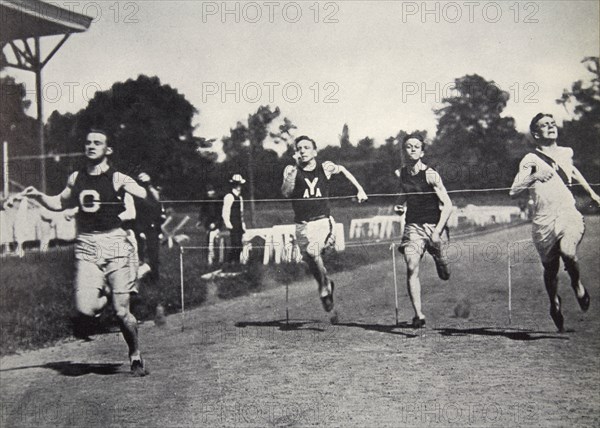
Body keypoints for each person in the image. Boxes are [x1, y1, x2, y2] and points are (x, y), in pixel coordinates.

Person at [23, 129, 151, 376]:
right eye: (88, 141)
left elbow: (146, 197)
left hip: (114, 242)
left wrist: (145, 187)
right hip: (87, 245)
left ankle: (135, 353)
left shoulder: (117, 178)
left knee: (122, 312)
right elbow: (60, 202)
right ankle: (104, 290)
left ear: (108, 150)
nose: (91, 146)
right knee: (85, 310)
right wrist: (38, 196)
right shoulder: (76, 177)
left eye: (98, 142)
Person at [509, 113, 600, 332]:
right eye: (544, 125)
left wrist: (592, 193)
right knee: (550, 270)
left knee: (568, 252)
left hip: (568, 213)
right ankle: (554, 303)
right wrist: (533, 176)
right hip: (543, 221)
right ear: (535, 133)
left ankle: (577, 284)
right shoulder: (530, 159)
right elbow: (514, 190)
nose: (550, 127)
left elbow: (573, 171)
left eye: (552, 123)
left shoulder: (566, 152)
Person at [282, 135, 368, 313]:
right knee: (312, 262)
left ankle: (323, 289)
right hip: (301, 225)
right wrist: (291, 173)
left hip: (322, 222)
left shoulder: (325, 167)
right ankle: (327, 283)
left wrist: (359, 189)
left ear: (314, 151)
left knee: (313, 252)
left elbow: (343, 170)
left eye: (307, 147)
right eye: (299, 148)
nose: (303, 151)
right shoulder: (291, 170)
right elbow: (285, 192)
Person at [395, 133, 453, 328]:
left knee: (445, 273)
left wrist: (437, 231)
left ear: (422, 151)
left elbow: (448, 205)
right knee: (411, 266)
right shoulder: (401, 173)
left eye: (416, 146)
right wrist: (399, 205)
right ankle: (418, 314)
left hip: (433, 226)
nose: (412, 149)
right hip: (413, 226)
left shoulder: (430, 174)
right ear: (403, 151)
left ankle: (440, 260)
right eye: (408, 146)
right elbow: (404, 192)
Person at [132, 173, 164, 281]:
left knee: (153, 253)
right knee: (140, 252)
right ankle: (142, 276)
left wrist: (149, 184)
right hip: (141, 227)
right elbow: (137, 213)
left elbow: (157, 203)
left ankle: (153, 276)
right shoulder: (137, 195)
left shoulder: (152, 193)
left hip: (152, 227)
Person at [222, 174, 247, 265]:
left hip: (239, 223)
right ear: (233, 185)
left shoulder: (240, 198)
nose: (239, 187)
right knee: (235, 245)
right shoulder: (229, 197)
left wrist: (243, 224)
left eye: (240, 185)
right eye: (237, 185)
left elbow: (241, 213)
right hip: (232, 224)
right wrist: (228, 224)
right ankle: (229, 263)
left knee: (239, 246)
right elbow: (225, 212)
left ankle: (235, 263)